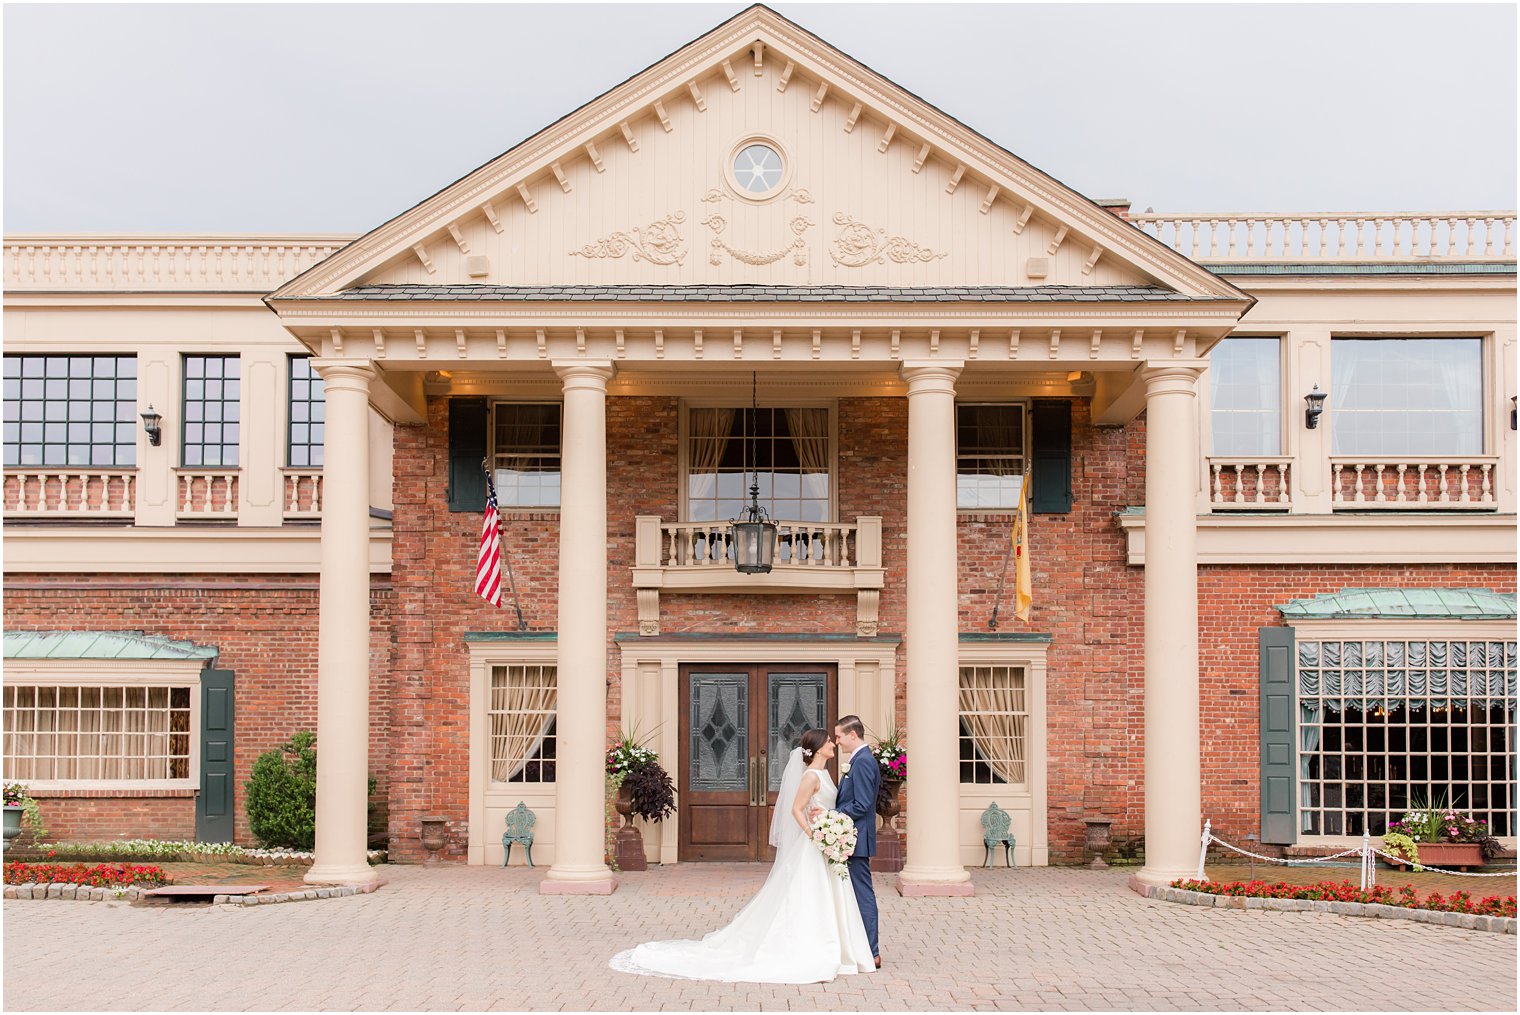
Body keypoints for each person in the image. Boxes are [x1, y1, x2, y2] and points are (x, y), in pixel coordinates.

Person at [608, 728, 876, 984]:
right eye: (829, 741)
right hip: (815, 844)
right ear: (818, 748)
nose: (833, 744)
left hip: (825, 846)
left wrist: (829, 824)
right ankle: (812, 946)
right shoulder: (810, 777)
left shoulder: (826, 775)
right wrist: (813, 833)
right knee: (810, 894)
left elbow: (829, 807)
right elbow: (796, 810)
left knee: (827, 896)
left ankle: (835, 946)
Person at [827, 715, 881, 968]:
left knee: (863, 895)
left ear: (852, 735)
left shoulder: (863, 762)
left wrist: (831, 816)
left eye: (838, 736)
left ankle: (872, 951)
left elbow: (862, 804)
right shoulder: (857, 760)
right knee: (856, 895)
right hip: (852, 838)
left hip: (856, 840)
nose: (836, 741)